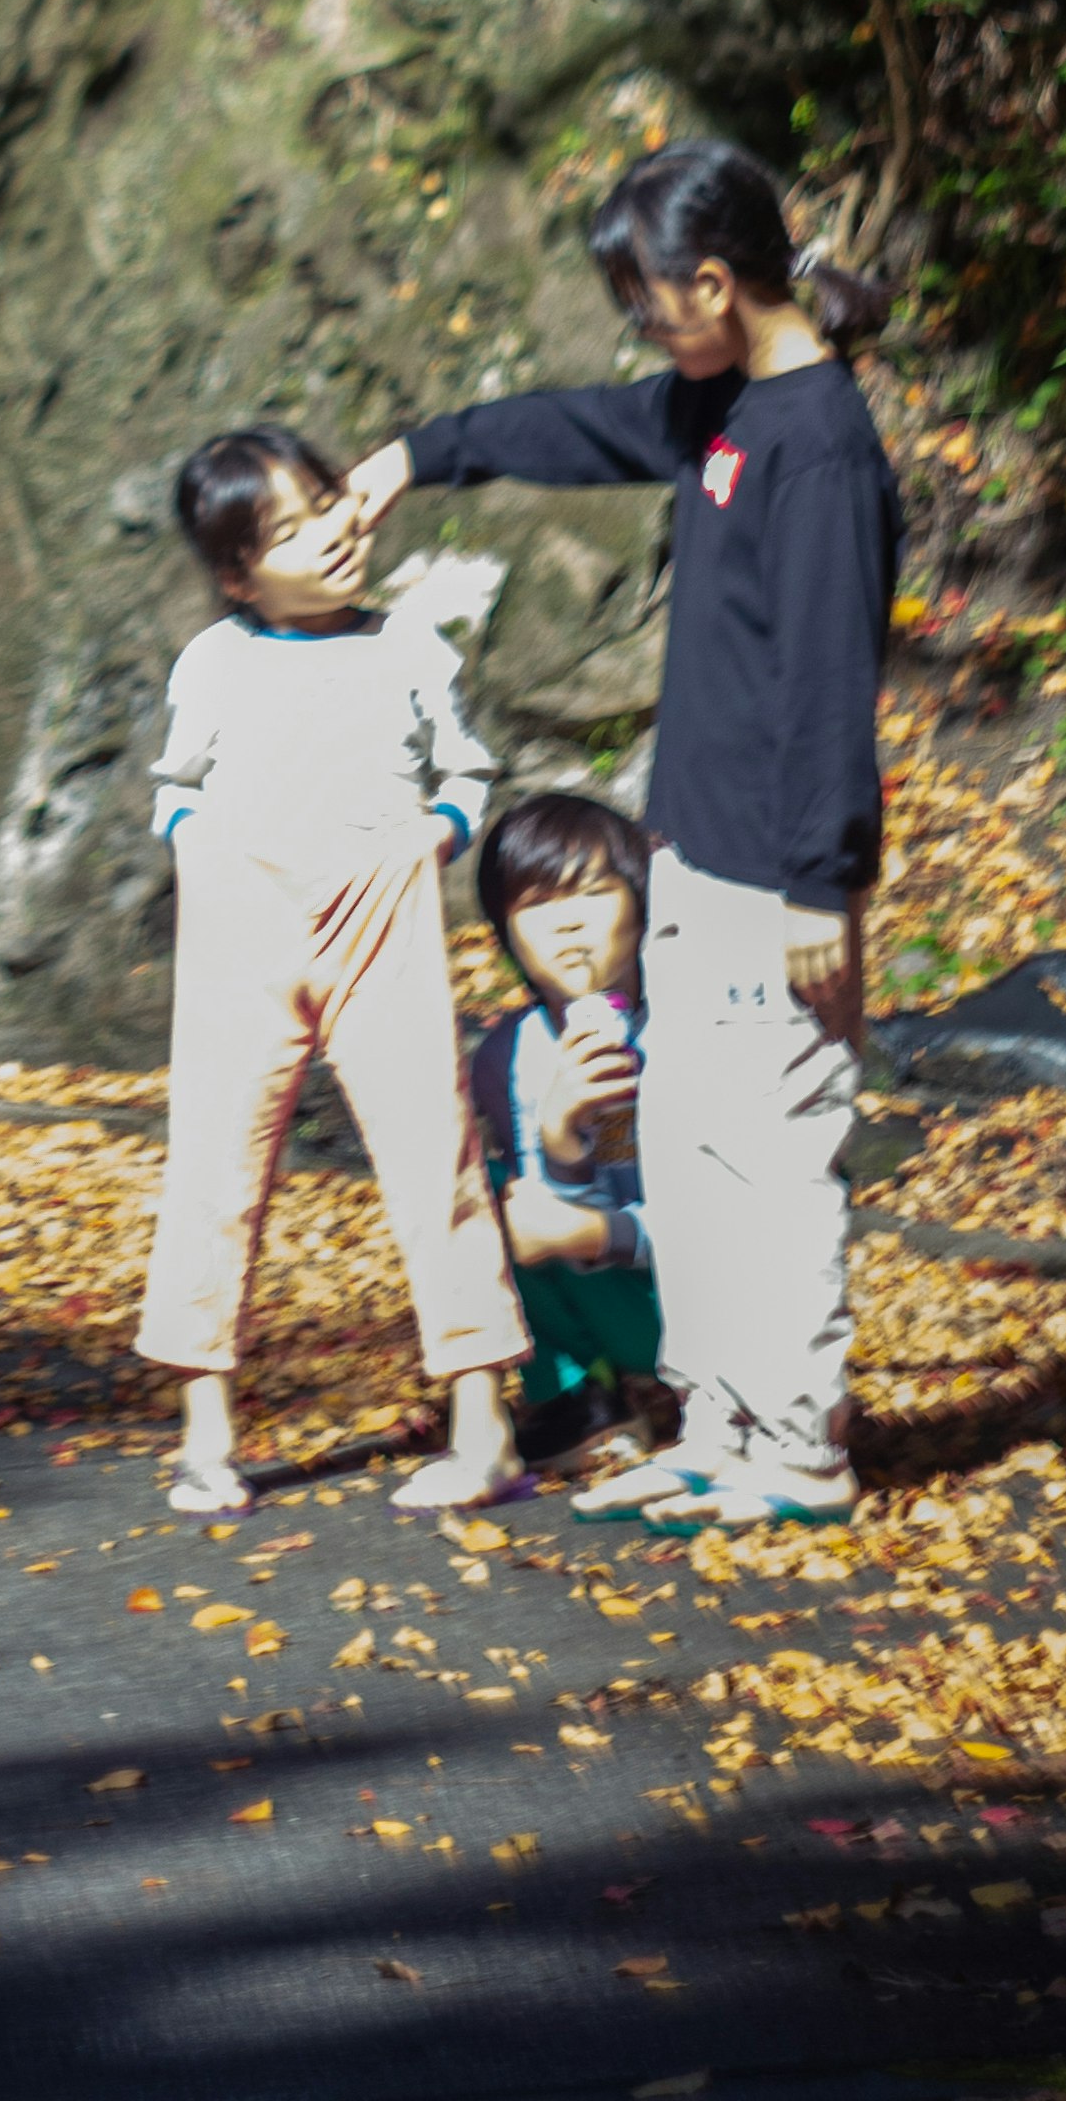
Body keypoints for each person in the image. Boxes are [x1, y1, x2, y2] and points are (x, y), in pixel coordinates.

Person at [345, 135, 899, 1532]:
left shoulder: (816, 444)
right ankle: (720, 1423)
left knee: (773, 1161)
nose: (641, 328)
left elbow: (830, 679)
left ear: (713, 287)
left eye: (648, 300)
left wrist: (826, 882)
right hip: (692, 855)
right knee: (699, 1148)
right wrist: (419, 455)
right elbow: (578, 425)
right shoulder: (718, 410)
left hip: (778, 875)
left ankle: (802, 1449)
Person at [137, 418, 531, 1521]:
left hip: (380, 918)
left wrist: (435, 836)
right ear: (236, 572)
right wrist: (197, 849)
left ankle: (483, 1422)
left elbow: (466, 769)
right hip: (241, 927)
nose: (333, 534)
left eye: (330, 505)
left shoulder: (409, 644)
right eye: (293, 528)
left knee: (435, 1161)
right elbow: (176, 787)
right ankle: (206, 1434)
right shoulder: (216, 660)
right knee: (214, 1174)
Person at [469, 788, 666, 1472]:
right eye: (536, 905)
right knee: (481, 1188)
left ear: (640, 907)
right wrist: (561, 1142)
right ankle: (582, 1403)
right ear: (507, 937)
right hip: (616, 1303)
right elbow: (539, 1226)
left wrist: (603, 1233)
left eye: (591, 893)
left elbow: (744, 1219)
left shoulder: (695, 1026)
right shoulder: (508, 1057)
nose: (568, 926)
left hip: (724, 1303)